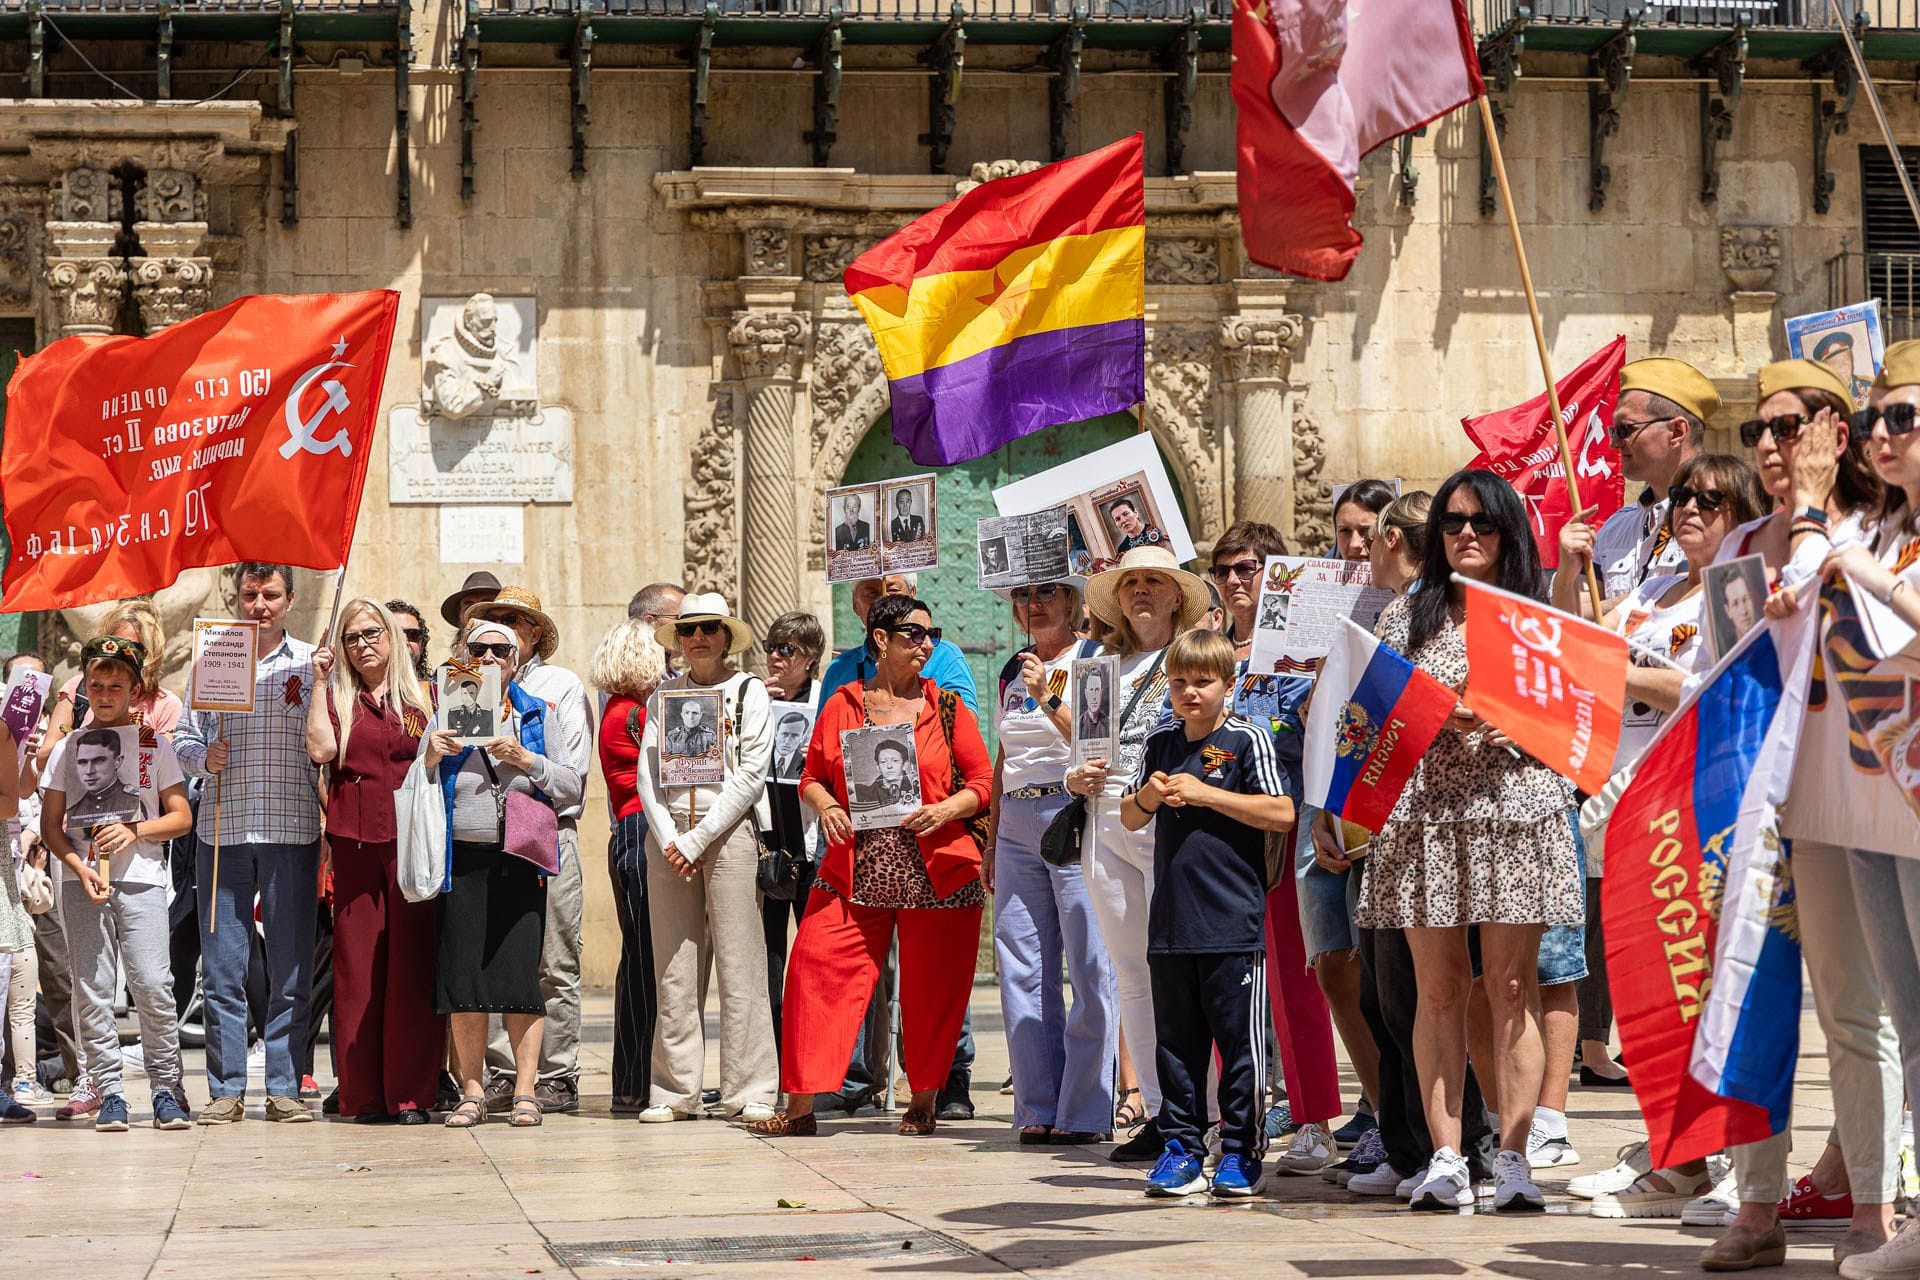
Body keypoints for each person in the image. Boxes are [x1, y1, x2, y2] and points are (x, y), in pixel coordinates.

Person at [1698, 357, 1900, 1272]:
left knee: (1855, 1009)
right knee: (1750, 1000)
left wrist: (1815, 525)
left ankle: (1873, 1206)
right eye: (1758, 431)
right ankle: (1755, 1206)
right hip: (1756, 804)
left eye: (1789, 427)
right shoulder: (1742, 545)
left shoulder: (1872, 529)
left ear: (1833, 432)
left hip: (1846, 798)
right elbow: (1720, 668)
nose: (1771, 446)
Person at [1355, 470, 1583, 1214]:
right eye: (1451, 524)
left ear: (1508, 530)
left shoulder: (1536, 612)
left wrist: (1514, 719)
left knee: (1512, 987)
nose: (1466, 535)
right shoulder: (1405, 616)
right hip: (1426, 815)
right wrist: (1435, 714)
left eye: (1482, 523)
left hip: (1516, 812)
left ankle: (1513, 1158)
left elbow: (1576, 709)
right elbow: (1371, 719)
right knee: (1441, 989)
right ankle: (1448, 1157)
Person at [1556, 459, 1768, 1218]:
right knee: (1655, 989)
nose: (1691, 509)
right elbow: (1577, 641)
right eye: (1683, 496)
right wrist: (1570, 569)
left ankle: (1741, 1157)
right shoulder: (1653, 588)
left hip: (1701, 801)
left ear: (1745, 513)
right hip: (1627, 801)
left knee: (1710, 981)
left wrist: (1626, 676)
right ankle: (1677, 1151)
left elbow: (1720, 686)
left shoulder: (1743, 588)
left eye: (1712, 499)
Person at [749, 594, 990, 1138]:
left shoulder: (947, 707)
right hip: (856, 869)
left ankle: (924, 1099)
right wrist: (828, 806)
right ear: (880, 639)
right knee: (812, 969)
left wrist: (946, 809)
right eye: (914, 634)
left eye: (931, 634)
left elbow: (982, 783)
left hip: (936, 870)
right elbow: (811, 777)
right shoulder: (843, 703)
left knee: (931, 990)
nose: (926, 644)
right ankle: (801, 1108)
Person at [1812, 339, 1920, 1280]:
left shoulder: (1877, 548)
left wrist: (1866, 576)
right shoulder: (1881, 530)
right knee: (1908, 1015)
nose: (1882, 434)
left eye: (1904, 418)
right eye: (1874, 419)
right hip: (1871, 784)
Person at [1123, 629, 1294, 1198]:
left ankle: (1241, 1151)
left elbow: (1282, 812)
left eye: (1202, 682)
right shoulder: (1160, 742)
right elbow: (1129, 815)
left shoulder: (1247, 739)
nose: (1189, 693)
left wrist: (1206, 794)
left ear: (1227, 684)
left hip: (1231, 922)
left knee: (1240, 1046)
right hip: (1171, 924)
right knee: (1176, 1046)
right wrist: (1148, 797)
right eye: (1179, 682)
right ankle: (1181, 1150)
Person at [1208, 519, 1347, 1174]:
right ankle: (1231, 1119)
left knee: (1296, 979)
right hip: (1215, 832)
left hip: (1282, 825)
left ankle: (1314, 1118)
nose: (1235, 580)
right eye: (1224, 569)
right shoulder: (1207, 650)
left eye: (1249, 567)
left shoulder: (1303, 655)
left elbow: (1321, 734)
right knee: (1219, 981)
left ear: (1276, 574)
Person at [1065, 545, 1209, 1164]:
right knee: (1131, 972)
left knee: (1182, 971)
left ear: (1177, 595)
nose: (1141, 591)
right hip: (1104, 819)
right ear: (1117, 600)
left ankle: (1207, 1111)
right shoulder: (1098, 665)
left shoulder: (1191, 659)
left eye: (1155, 580)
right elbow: (1080, 747)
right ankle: (1158, 1110)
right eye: (1131, 583)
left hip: (1167, 817)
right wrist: (1076, 776)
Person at [174, 562, 324, 1125]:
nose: (259, 605)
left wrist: (325, 683)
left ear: (290, 599)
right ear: (237, 598)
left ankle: (284, 1087)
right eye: (250, 594)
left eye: (271, 595)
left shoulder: (310, 663)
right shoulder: (212, 656)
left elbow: (327, 742)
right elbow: (182, 737)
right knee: (222, 972)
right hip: (223, 831)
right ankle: (226, 1090)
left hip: (292, 828)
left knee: (290, 971)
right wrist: (201, 758)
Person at [430, 619, 580, 1129]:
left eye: (501, 649)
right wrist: (432, 753)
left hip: (520, 855)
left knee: (519, 976)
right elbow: (417, 777)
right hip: (462, 857)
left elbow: (572, 786)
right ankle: (472, 1090)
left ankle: (525, 1090)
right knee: (465, 977)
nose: (490, 657)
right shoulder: (447, 708)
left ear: (516, 661)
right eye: (479, 649)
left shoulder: (537, 712)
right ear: (465, 656)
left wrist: (527, 759)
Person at [635, 593, 777, 1123]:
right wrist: (671, 835)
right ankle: (675, 1091)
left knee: (742, 964)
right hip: (669, 835)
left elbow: (752, 773)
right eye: (688, 629)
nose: (698, 638)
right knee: (674, 968)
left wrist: (699, 838)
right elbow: (647, 773)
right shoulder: (662, 696)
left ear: (725, 637)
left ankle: (750, 1088)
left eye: (709, 629)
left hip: (729, 833)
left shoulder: (748, 691)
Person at [42, 636, 190, 1132]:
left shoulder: (153, 745)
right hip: (82, 879)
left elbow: (180, 816)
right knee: (93, 988)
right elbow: (51, 825)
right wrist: (76, 865)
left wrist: (135, 830)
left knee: (152, 982)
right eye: (96, 685)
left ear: (134, 689)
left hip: (141, 878)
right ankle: (109, 1090)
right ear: (84, 686)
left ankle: (166, 1086)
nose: (104, 695)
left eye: (116, 686)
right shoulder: (68, 748)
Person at [986, 580, 1115, 1145]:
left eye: (1045, 593)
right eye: (1022, 596)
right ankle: (1036, 1104)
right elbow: (1004, 757)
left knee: (1089, 963)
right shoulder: (1011, 670)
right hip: (1017, 821)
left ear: (1071, 601)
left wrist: (1047, 696)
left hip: (1073, 813)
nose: (1032, 605)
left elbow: (1099, 743)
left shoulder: (1093, 659)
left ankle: (1086, 1109)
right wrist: (992, 839)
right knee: (1021, 965)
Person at [306, 599, 441, 1125]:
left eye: (371, 633)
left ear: (391, 637)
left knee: (411, 965)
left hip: (414, 840)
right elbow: (321, 751)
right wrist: (320, 681)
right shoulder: (339, 697)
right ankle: (362, 1094)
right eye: (351, 638)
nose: (362, 644)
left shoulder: (425, 696)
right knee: (357, 968)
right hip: (356, 840)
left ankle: (409, 1095)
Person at [465, 588, 594, 1116]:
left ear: (534, 633)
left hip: (546, 829)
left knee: (554, 958)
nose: (499, 637)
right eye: (491, 624)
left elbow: (574, 773)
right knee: (496, 954)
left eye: (513, 622)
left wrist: (526, 759)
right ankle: (503, 1072)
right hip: (485, 839)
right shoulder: (465, 689)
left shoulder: (560, 686)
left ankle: (557, 1074)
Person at [588, 617, 669, 1116]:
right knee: (644, 958)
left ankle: (632, 1080)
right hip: (641, 830)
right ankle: (637, 1080)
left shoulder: (618, 709)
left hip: (630, 831)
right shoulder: (635, 713)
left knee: (639, 957)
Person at [1580, 358, 1718, 600]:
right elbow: (1577, 611)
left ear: (1677, 432)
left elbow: (1689, 600)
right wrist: (1567, 569)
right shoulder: (1616, 526)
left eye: (1625, 429)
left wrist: (1616, 607)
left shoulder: (1719, 517)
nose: (1614, 443)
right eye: (1614, 431)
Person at [760, 610, 825, 1061]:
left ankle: (812, 1060)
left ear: (810, 658)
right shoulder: (753, 700)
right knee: (766, 964)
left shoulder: (824, 701)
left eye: (787, 649)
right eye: (772, 648)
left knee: (813, 961)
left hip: (810, 848)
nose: (776, 657)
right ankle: (774, 1062)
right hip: (765, 847)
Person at [818, 575, 978, 713]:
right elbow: (824, 733)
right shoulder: (839, 670)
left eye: (893, 591)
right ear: (855, 604)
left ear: (912, 594)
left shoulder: (945, 657)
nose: (883, 601)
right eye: (872, 594)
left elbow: (963, 725)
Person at [62, 730, 141, 827]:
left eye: (99, 761)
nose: (89, 771)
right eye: (83, 762)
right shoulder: (73, 813)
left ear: (118, 761)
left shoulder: (135, 803)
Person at [1813, 328, 1874, 404]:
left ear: (1852, 360)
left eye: (1845, 359)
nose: (1842, 365)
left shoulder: (1869, 387)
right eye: (1834, 362)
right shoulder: (1820, 399)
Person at [855, 739, 915, 808]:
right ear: (878, 767)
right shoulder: (862, 795)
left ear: (905, 765)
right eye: (883, 762)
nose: (889, 766)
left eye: (895, 761)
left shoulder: (916, 790)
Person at [385, 600, 432, 681]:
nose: (404, 641)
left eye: (413, 634)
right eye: (395, 634)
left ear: (422, 645)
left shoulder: (437, 687)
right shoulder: (363, 688)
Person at [773, 712, 811, 782]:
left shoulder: (806, 763)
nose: (787, 741)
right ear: (776, 734)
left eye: (794, 736)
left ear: (802, 738)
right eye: (784, 734)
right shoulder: (761, 755)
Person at [1077, 667, 1112, 742]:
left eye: (1097, 690)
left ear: (1101, 693)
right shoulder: (1078, 724)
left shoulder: (1109, 725)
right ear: (1086, 693)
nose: (1094, 697)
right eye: (1091, 690)